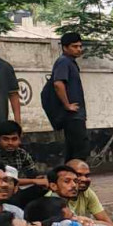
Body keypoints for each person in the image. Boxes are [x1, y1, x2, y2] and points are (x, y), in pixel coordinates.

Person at [42, 31, 89, 160]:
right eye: (74, 46)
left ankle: (69, 177)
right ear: (65, 47)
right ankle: (75, 177)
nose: (79, 49)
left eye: (80, 46)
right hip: (72, 115)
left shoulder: (70, 62)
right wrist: (67, 105)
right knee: (80, 150)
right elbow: (58, 84)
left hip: (74, 114)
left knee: (73, 150)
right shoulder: (64, 62)